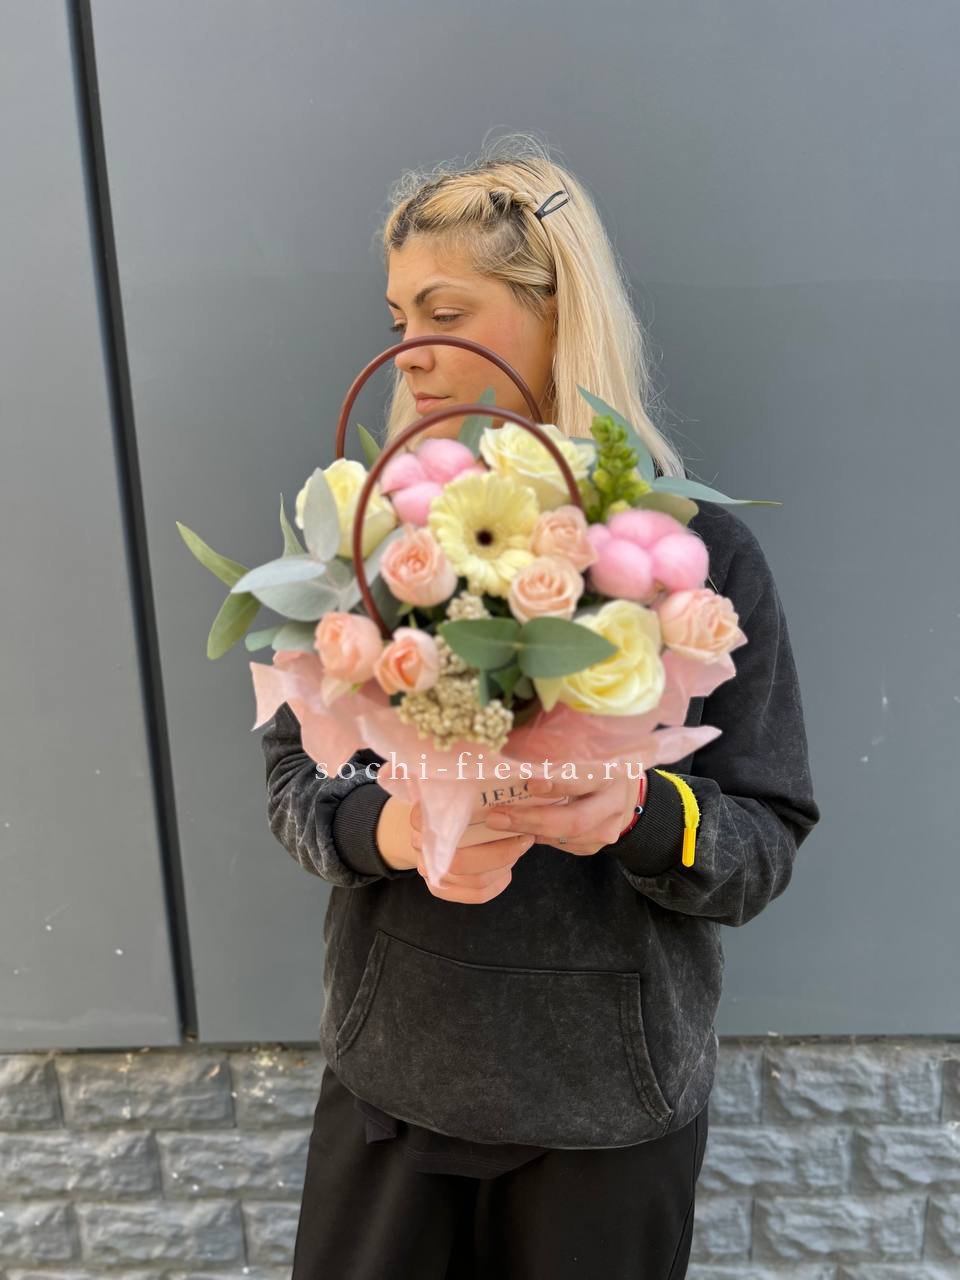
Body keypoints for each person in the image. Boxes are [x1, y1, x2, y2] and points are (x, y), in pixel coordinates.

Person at [261, 132, 821, 1279]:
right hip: (392, 1086)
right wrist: (392, 829)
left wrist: (637, 813)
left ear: (556, 311)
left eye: (445, 313)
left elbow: (763, 839)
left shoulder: (696, 555)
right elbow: (291, 779)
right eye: (397, 318)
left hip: (609, 1112)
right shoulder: (371, 535)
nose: (411, 351)